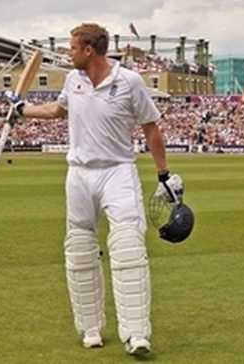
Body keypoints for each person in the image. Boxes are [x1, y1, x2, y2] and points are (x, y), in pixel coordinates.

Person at [9, 23, 182, 356]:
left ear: (89, 50)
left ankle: (136, 334)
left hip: (117, 172)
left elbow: (151, 128)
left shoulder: (129, 81)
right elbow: (58, 110)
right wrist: (23, 110)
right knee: (79, 249)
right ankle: (90, 328)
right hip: (79, 174)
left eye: (72, 48)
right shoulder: (73, 80)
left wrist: (164, 175)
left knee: (128, 247)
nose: (68, 53)